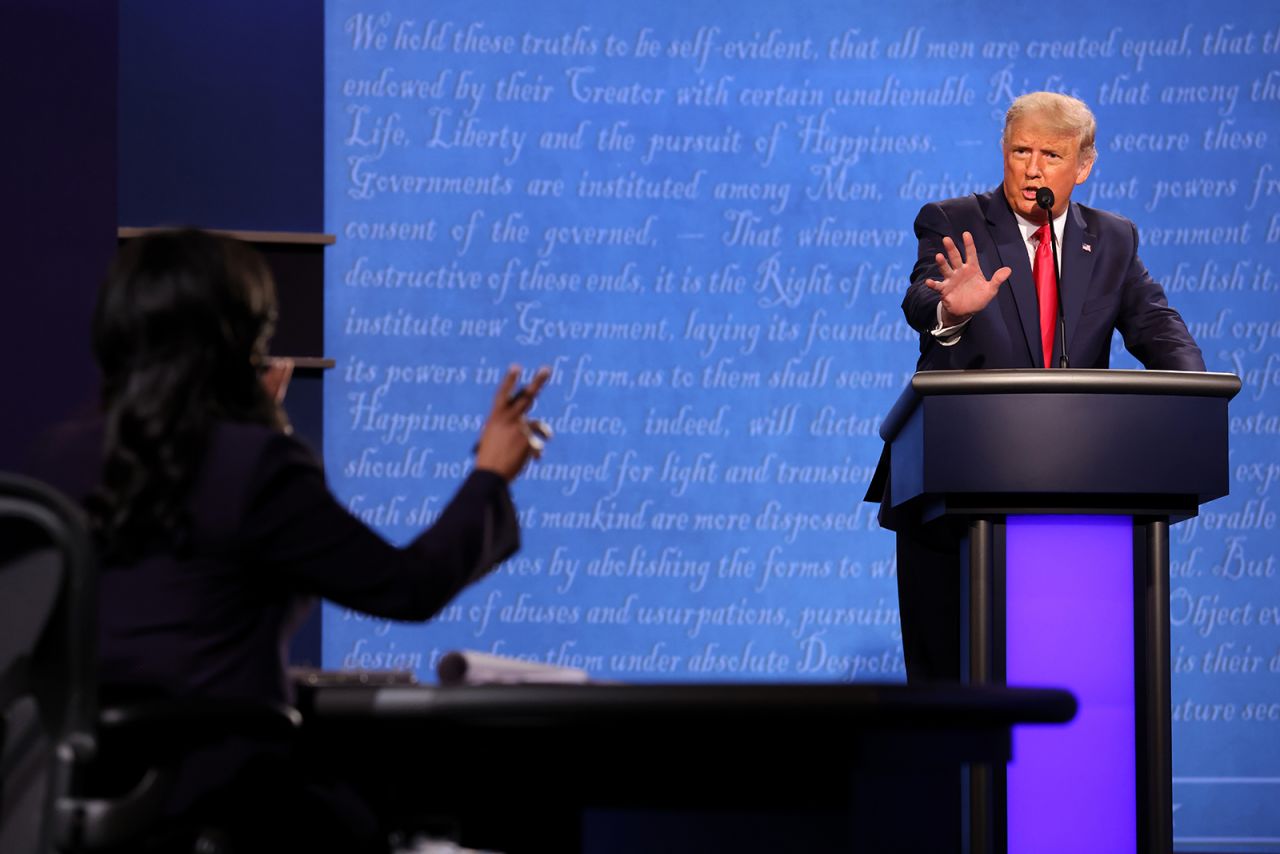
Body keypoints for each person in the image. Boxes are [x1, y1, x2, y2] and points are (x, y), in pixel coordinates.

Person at [24, 228, 551, 850]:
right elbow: (410, 586)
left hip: (72, 803)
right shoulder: (255, 467)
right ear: (240, 341)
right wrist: (490, 473)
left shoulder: (54, 463)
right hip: (228, 799)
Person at [870, 91, 1205, 682]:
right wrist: (953, 308)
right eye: (1020, 150)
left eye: (1051, 154)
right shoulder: (954, 221)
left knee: (1066, 675)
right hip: (955, 488)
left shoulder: (1113, 239)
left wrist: (1196, 397)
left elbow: (1156, 324)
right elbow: (921, 297)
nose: (1032, 168)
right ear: (1003, 151)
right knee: (951, 683)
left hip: (1076, 487)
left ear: (1083, 166)